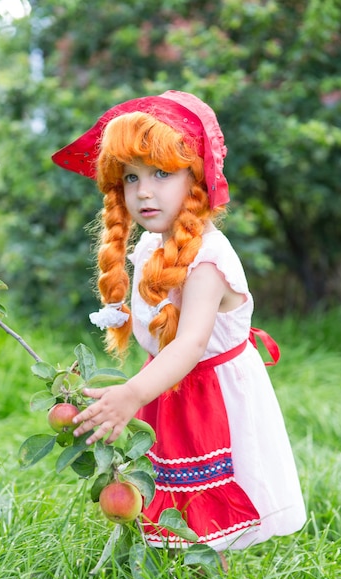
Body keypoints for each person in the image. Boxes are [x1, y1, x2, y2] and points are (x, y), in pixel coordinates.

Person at [51, 90, 306, 553]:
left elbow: (188, 346)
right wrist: (139, 389)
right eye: (131, 177)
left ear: (197, 179)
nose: (143, 190)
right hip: (165, 386)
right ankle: (166, 568)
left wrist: (132, 393)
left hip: (208, 397)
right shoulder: (151, 245)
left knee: (205, 498)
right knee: (161, 485)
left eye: (161, 174)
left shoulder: (207, 260)